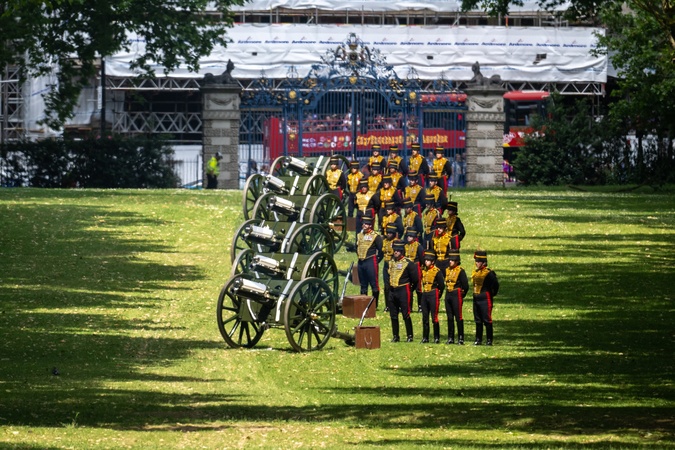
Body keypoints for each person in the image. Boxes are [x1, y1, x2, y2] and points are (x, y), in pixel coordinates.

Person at [387, 239, 419, 342]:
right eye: (395, 250)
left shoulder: (408, 263)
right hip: (392, 290)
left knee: (406, 314)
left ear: (402, 251)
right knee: (393, 315)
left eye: (398, 250)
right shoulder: (391, 262)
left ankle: (410, 335)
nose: (396, 252)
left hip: (403, 290)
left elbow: (415, 279)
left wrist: (410, 289)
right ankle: (395, 336)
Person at [471, 250, 500, 346]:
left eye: (478, 261)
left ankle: (489, 340)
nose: (476, 263)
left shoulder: (489, 273)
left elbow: (495, 285)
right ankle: (478, 339)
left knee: (487, 320)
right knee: (478, 320)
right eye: (476, 261)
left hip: (485, 298)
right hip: (476, 298)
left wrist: (492, 294)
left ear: (483, 262)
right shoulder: (476, 273)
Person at [355, 216, 384, 308]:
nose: (364, 225)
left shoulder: (376, 236)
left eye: (366, 224)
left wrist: (377, 260)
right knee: (363, 284)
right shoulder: (359, 235)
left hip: (371, 260)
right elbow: (357, 247)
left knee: (374, 284)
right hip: (361, 261)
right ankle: (364, 304)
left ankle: (374, 305)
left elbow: (381, 250)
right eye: (363, 223)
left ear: (370, 225)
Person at [419, 249, 445, 343]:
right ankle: (425, 337)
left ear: (433, 261)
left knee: (434, 317)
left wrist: (438, 295)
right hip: (425, 294)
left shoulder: (437, 271)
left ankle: (436, 337)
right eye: (425, 260)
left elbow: (441, 285)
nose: (426, 261)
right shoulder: (423, 270)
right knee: (425, 317)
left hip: (433, 294)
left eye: (428, 260)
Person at [444, 250, 469, 344]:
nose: (450, 261)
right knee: (450, 317)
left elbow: (465, 286)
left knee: (458, 317)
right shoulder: (447, 270)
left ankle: (460, 338)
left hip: (456, 294)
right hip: (448, 294)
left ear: (457, 261)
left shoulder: (460, 271)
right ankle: (450, 337)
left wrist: (462, 295)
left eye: (452, 260)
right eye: (450, 260)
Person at [381, 223, 398, 312]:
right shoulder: (384, 241)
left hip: (393, 264)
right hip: (386, 264)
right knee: (386, 286)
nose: (388, 234)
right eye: (387, 233)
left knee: (394, 285)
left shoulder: (397, 242)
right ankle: (387, 305)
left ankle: (395, 305)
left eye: (390, 233)